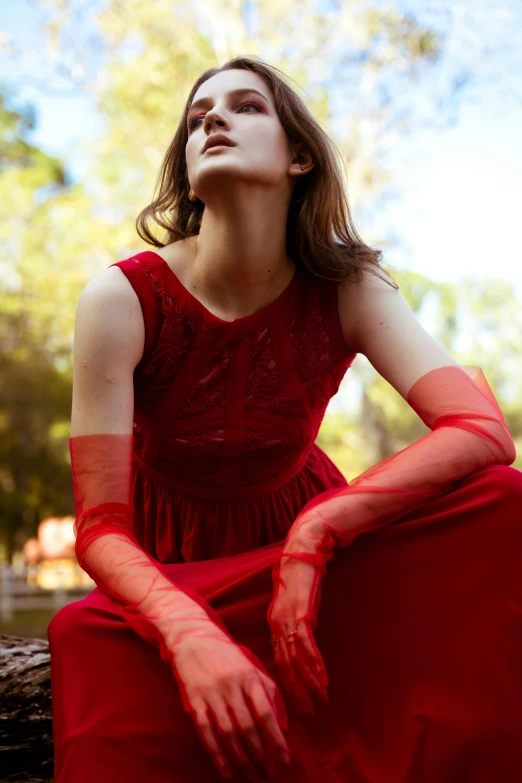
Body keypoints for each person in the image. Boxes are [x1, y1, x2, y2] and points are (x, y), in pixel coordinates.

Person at [47, 55, 522, 783]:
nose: (210, 119)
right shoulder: (118, 300)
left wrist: (317, 531)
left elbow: (483, 431)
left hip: (308, 548)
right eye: (198, 114)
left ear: (299, 155)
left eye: (245, 107)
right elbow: (100, 529)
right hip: (171, 565)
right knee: (81, 635)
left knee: (504, 504)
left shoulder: (349, 284)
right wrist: (186, 633)